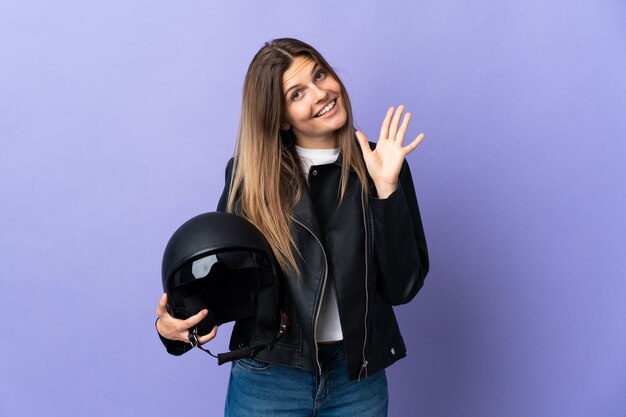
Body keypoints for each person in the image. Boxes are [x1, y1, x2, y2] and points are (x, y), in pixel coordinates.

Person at [155, 38, 429, 416]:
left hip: (358, 379)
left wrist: (385, 192)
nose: (321, 94)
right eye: (298, 93)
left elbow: (402, 287)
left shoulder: (382, 164)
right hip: (270, 377)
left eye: (320, 75)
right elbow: (220, 284)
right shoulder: (250, 179)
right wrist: (172, 330)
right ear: (280, 117)